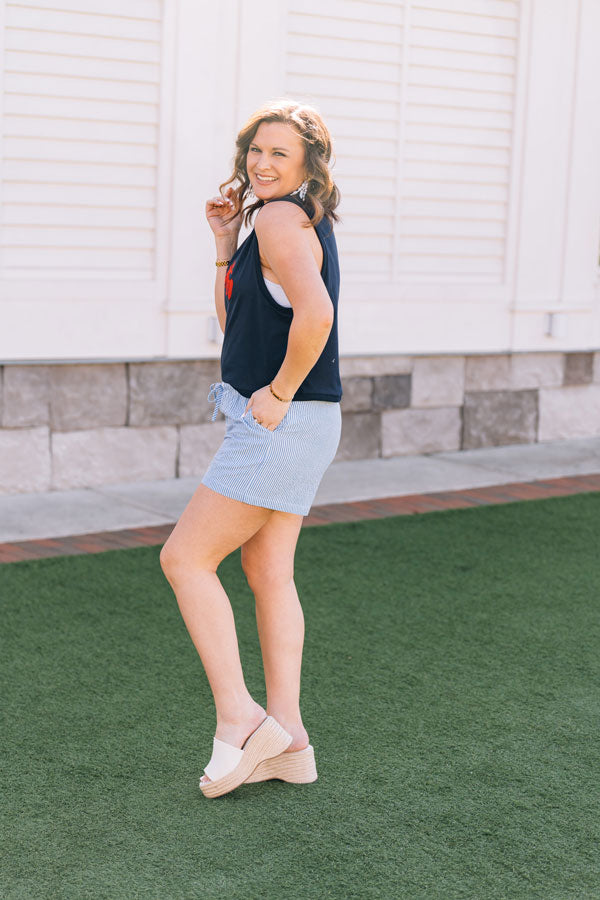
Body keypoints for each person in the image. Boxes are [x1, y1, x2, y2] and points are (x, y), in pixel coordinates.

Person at [159, 98, 343, 798]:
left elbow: (317, 316)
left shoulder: (278, 218)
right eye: (255, 151)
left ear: (307, 164)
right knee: (268, 571)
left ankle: (240, 718)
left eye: (279, 154)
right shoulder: (281, 219)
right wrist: (222, 242)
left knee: (185, 558)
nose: (261, 164)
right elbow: (236, 319)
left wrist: (279, 392)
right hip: (301, 421)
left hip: (282, 421)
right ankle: (288, 739)